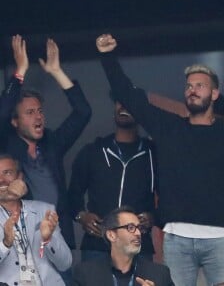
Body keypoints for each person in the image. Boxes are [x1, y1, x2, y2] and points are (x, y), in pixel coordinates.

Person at [95, 34, 224, 286]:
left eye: (199, 86)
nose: (192, 90)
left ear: (215, 93)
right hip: (177, 239)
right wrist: (107, 57)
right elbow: (128, 96)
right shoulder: (169, 127)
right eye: (189, 86)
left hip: (220, 238)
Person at [0, 35, 92, 251]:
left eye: (40, 111)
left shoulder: (53, 143)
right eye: (30, 113)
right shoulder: (7, 143)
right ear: (15, 121)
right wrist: (20, 70)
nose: (38, 117)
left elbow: (83, 112)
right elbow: (3, 112)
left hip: (58, 240)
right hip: (22, 240)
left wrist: (56, 71)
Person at [68, 94, 156, 261]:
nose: (123, 107)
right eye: (119, 102)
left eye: (129, 103)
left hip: (138, 246)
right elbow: (72, 194)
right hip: (97, 247)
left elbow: (171, 196)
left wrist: (153, 217)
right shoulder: (93, 151)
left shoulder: (153, 153)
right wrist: (82, 216)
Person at [0, 154, 72, 286]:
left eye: (7, 173)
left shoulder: (44, 210)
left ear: (20, 177)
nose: (1, 180)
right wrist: (5, 244)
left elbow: (65, 264)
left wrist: (48, 239)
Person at [72, 206, 174, 286]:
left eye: (139, 228)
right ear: (111, 235)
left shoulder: (159, 274)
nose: (138, 233)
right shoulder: (85, 274)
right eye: (131, 227)